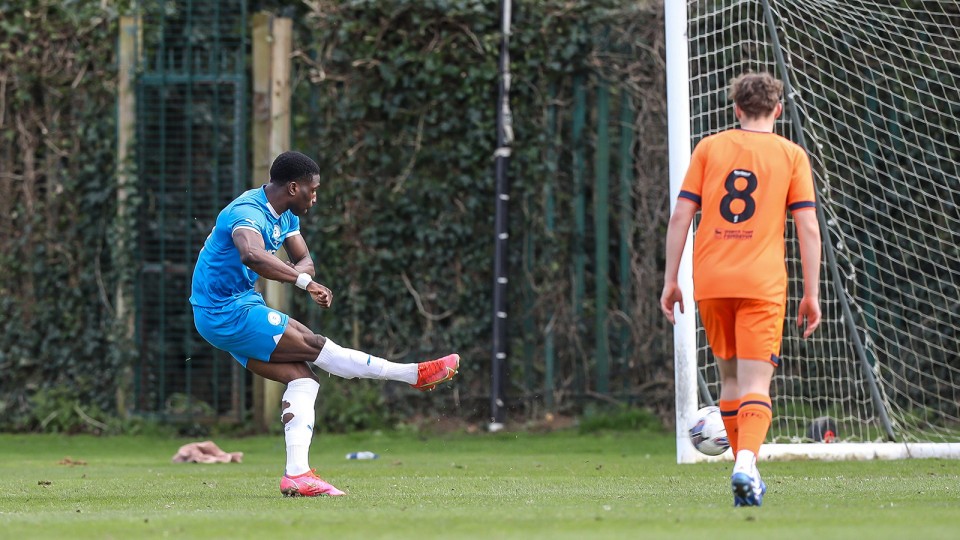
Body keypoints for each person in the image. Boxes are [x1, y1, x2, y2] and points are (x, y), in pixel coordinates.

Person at [190, 151, 460, 497]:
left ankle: (297, 475)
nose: (315, 197)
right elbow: (252, 255)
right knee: (315, 345)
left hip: (239, 304)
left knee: (303, 380)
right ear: (292, 187)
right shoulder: (247, 213)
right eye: (312, 190)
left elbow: (305, 261)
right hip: (222, 310)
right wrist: (303, 283)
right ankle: (412, 375)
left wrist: (298, 274)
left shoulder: (285, 216)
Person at [659, 72, 822, 507]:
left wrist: (671, 278)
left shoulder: (709, 148)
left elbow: (680, 217)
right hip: (761, 283)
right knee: (756, 383)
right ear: (778, 110)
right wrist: (812, 292)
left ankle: (745, 467)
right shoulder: (791, 154)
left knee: (729, 380)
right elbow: (807, 224)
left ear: (736, 109)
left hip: (711, 280)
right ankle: (745, 463)